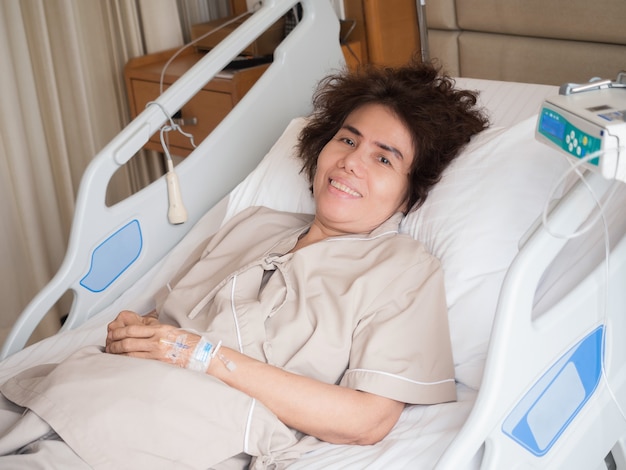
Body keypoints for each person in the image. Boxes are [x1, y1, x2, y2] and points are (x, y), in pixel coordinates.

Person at [0, 59, 488, 469]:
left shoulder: (403, 270)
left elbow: (367, 421)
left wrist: (199, 355)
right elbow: (170, 321)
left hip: (172, 432)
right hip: (82, 392)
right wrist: (137, 332)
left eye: (385, 159)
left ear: (410, 191)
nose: (352, 162)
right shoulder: (253, 224)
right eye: (347, 140)